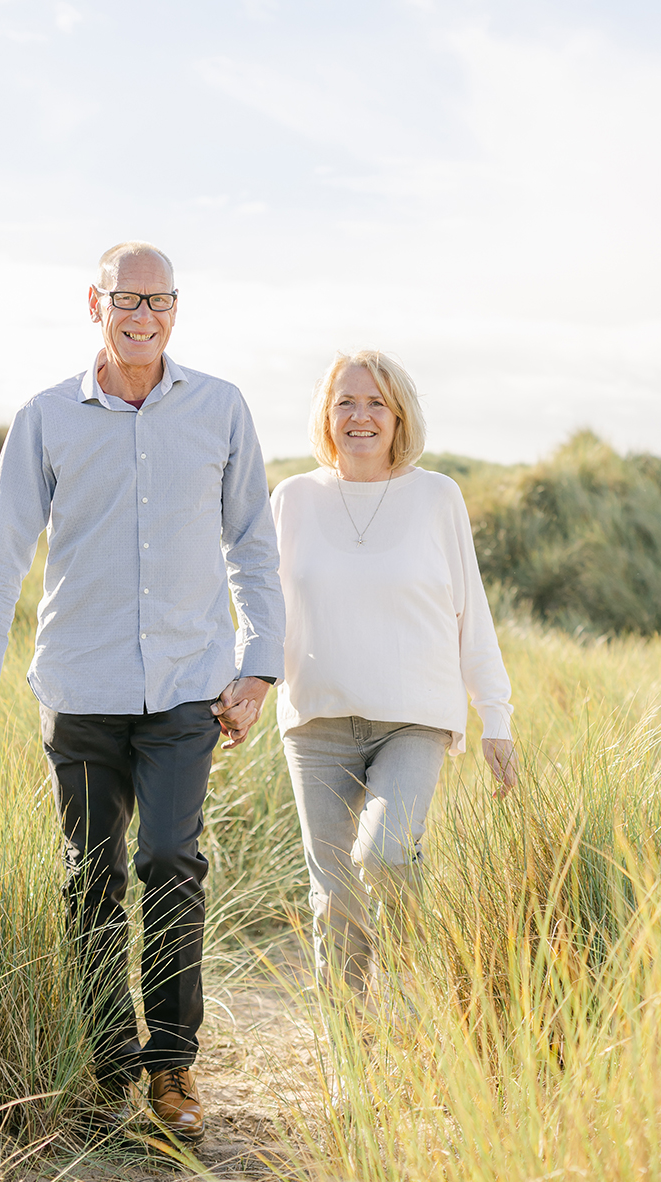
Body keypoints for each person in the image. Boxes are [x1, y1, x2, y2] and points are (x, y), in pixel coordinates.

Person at [0, 241, 285, 1147]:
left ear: (178, 307)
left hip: (186, 689)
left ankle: (172, 1063)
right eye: (127, 299)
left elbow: (253, 542)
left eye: (161, 300)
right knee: (88, 877)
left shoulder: (220, 408)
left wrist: (260, 663)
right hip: (82, 689)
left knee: (171, 861)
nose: (145, 316)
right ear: (93, 301)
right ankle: (106, 1059)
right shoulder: (48, 417)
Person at [270, 350, 517, 1012]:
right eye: (346, 402)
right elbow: (263, 612)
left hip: (414, 720)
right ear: (327, 415)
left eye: (376, 402)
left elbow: (471, 609)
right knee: (335, 900)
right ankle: (350, 1057)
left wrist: (496, 715)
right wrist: (242, 690)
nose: (360, 415)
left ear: (399, 415)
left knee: (382, 855)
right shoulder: (292, 499)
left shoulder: (436, 495)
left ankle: (412, 988)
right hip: (316, 722)